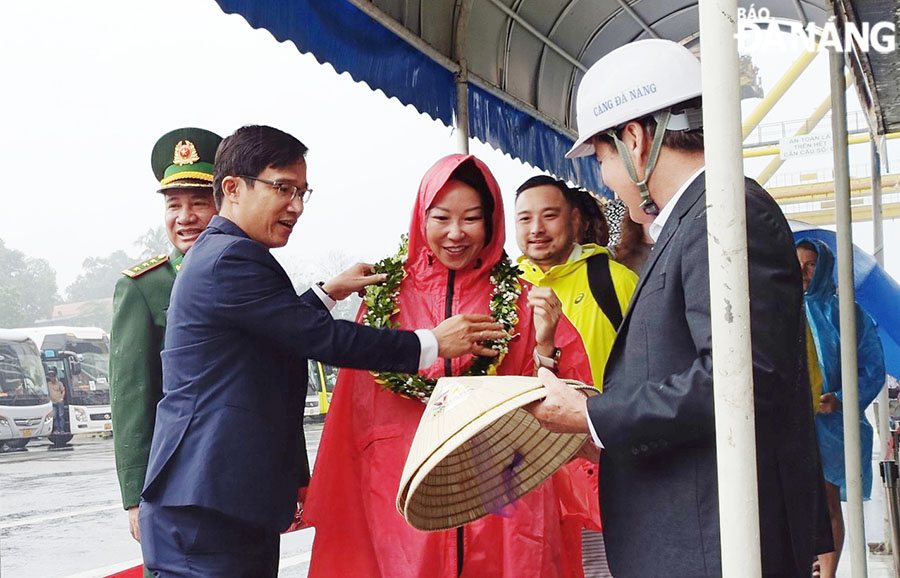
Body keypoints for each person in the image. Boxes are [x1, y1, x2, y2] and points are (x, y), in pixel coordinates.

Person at [138, 126, 506, 578]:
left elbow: (275, 329)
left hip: (222, 497)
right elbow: (321, 340)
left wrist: (328, 291)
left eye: (302, 192)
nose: (295, 206)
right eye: (283, 189)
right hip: (206, 499)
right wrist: (431, 342)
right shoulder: (230, 258)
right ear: (232, 188)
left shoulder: (228, 253)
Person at [526, 39, 830, 577]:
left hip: (709, 542)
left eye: (600, 158)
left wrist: (592, 416)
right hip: (696, 530)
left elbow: (740, 378)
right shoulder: (701, 217)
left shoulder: (724, 216)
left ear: (635, 140)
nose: (605, 180)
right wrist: (605, 430)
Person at [304, 154, 594, 578]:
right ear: (422, 218)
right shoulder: (387, 301)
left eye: (472, 218)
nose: (456, 233)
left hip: (505, 495)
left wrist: (546, 344)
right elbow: (354, 415)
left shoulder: (522, 302)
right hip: (401, 492)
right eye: (442, 217)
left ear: (491, 221)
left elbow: (566, 407)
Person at [515, 175, 638, 577]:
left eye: (549, 215)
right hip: (531, 475)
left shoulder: (615, 282)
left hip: (606, 466)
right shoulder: (504, 288)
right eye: (524, 218)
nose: (536, 229)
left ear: (577, 220)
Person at [109, 127, 221, 548]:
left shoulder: (252, 275)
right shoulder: (143, 287)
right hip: (172, 482)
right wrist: (137, 498)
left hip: (243, 478)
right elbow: (131, 399)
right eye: (174, 205)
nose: (185, 217)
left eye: (199, 203)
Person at [797, 238, 885, 578]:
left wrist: (841, 398)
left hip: (833, 424)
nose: (803, 272)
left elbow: (872, 367)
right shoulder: (778, 309)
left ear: (824, 268)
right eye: (798, 264)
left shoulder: (847, 313)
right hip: (793, 421)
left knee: (828, 500)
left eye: (811, 264)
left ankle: (828, 573)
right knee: (796, 498)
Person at [47, 366, 66, 432]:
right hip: (52, 402)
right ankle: (56, 429)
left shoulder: (59, 383)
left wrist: (62, 398)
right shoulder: (48, 384)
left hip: (59, 402)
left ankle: (62, 429)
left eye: (53, 376)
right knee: (54, 416)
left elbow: (63, 391)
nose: (52, 378)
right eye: (50, 377)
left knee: (61, 416)